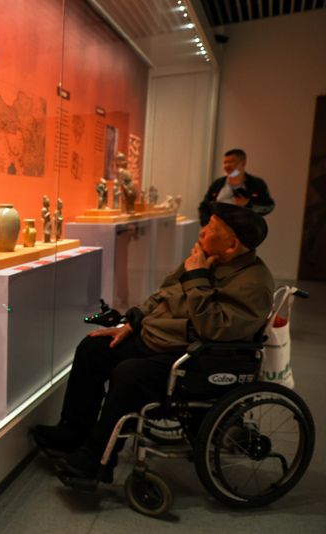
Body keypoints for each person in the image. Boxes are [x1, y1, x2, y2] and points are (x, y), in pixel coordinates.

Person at [32, 202, 273, 487]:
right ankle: (72, 432)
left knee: (130, 374)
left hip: (196, 357)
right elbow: (164, 292)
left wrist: (197, 277)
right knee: (93, 349)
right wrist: (134, 321)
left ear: (231, 245)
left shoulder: (253, 284)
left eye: (210, 229)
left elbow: (213, 328)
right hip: (162, 338)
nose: (202, 232)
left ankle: (96, 460)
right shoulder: (206, 257)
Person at [198, 148, 275, 226]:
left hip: (246, 229)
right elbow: (204, 206)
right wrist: (206, 225)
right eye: (225, 162)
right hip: (219, 229)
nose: (227, 166)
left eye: (231, 162)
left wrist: (248, 204)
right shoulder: (217, 184)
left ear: (243, 163)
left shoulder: (256, 184)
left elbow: (268, 207)